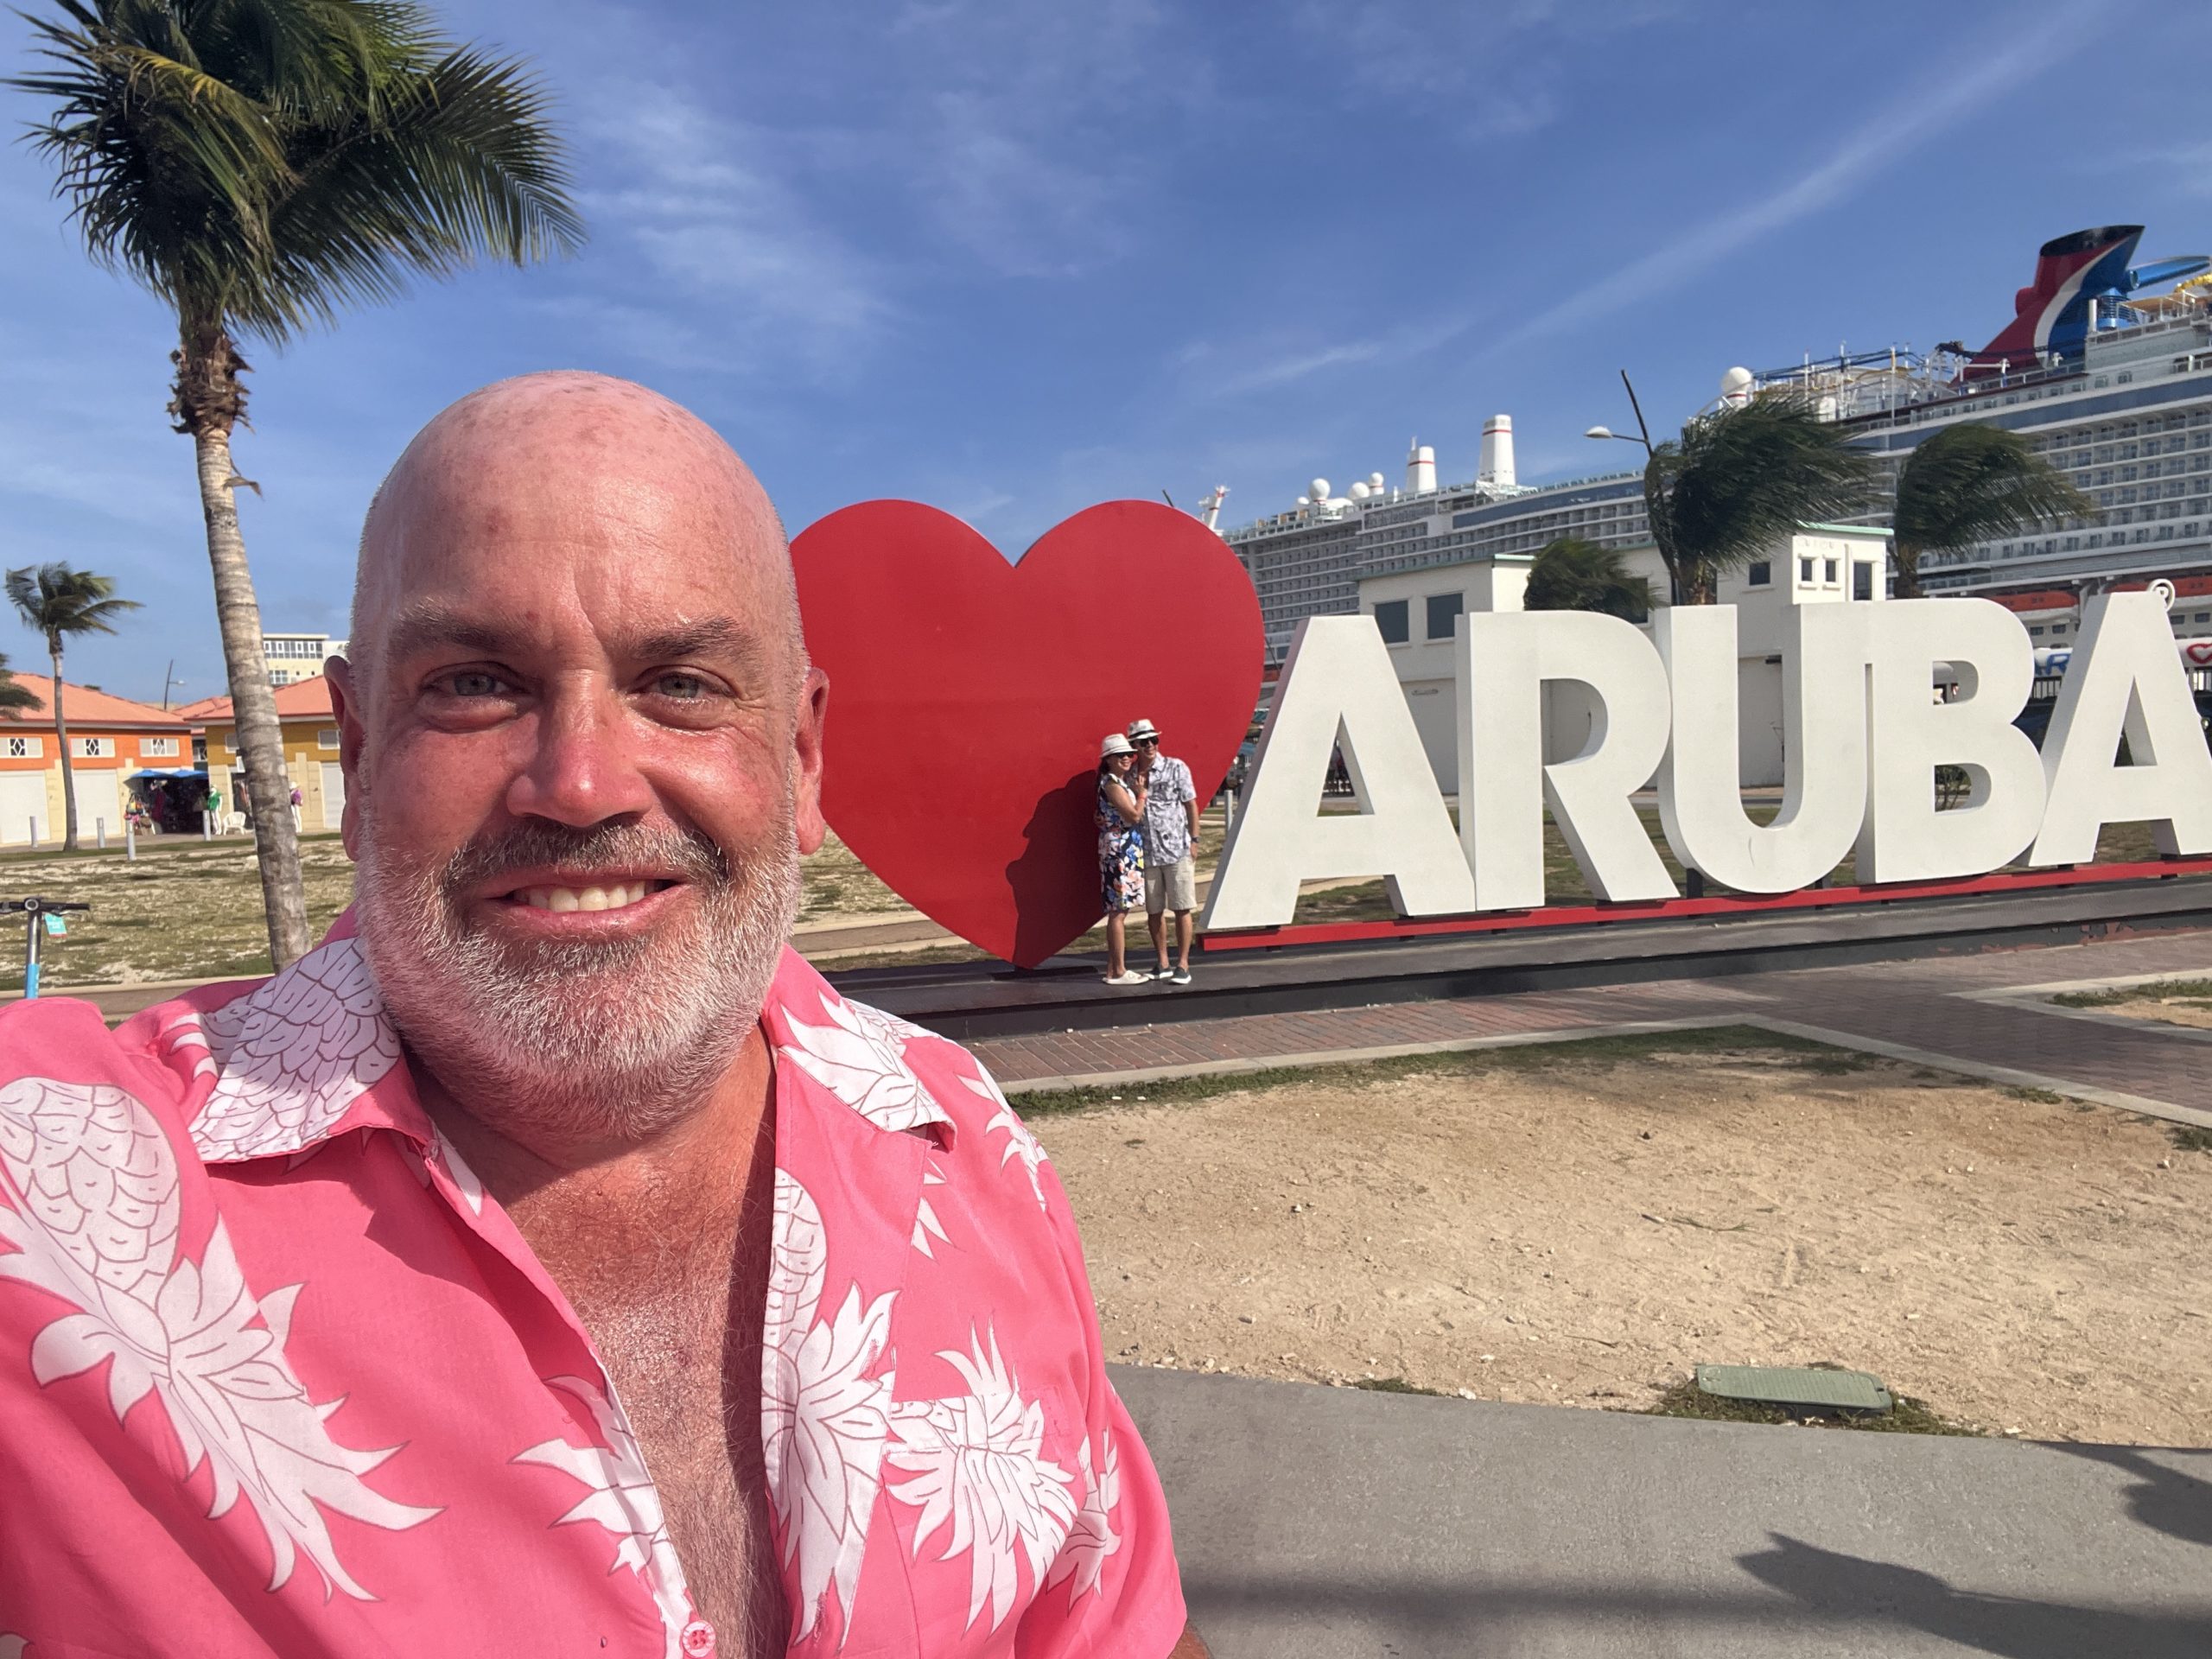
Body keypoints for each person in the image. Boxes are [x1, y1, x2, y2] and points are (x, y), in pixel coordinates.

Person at [0, 373, 1205, 1659]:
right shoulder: (53, 1196)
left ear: (799, 760)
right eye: (474, 683)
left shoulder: (965, 1136)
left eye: (681, 682)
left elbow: (1105, 1618)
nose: (579, 785)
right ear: (355, 760)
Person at [1125, 720, 1198, 985]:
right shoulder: (1131, 775)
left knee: (1182, 907)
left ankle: (1184, 963)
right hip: (1148, 852)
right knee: (1154, 911)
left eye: (1154, 740)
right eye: (1144, 742)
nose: (1151, 746)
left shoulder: (1176, 767)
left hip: (1177, 847)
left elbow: (1191, 803)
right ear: (1134, 746)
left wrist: (1195, 838)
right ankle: (1163, 962)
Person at [1096, 733, 1150, 987]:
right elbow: (1133, 816)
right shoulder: (1112, 784)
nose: (1127, 758)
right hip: (1119, 849)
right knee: (1118, 910)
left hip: (1122, 847)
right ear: (1109, 760)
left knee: (1121, 909)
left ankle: (1113, 968)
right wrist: (1141, 795)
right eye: (1121, 755)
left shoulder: (1114, 781)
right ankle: (1118, 970)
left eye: (1129, 754)